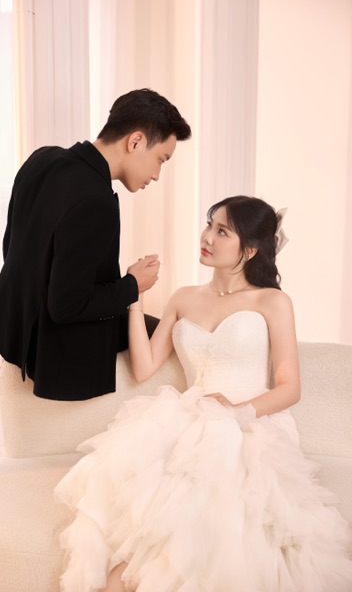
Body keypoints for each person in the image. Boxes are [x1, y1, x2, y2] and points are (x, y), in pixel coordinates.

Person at [54, 195, 352, 591]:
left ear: (249, 250)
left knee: (208, 505)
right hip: (190, 418)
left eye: (222, 231)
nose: (207, 236)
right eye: (209, 224)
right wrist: (133, 299)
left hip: (252, 425)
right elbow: (144, 367)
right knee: (148, 517)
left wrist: (238, 411)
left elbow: (289, 387)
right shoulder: (184, 297)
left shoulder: (273, 301)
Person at [0, 88, 191, 401]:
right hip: (55, 348)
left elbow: (12, 248)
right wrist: (133, 284)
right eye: (161, 159)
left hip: (20, 327)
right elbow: (67, 306)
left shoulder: (41, 159)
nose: (157, 175)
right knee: (179, 335)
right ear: (135, 141)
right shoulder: (96, 201)